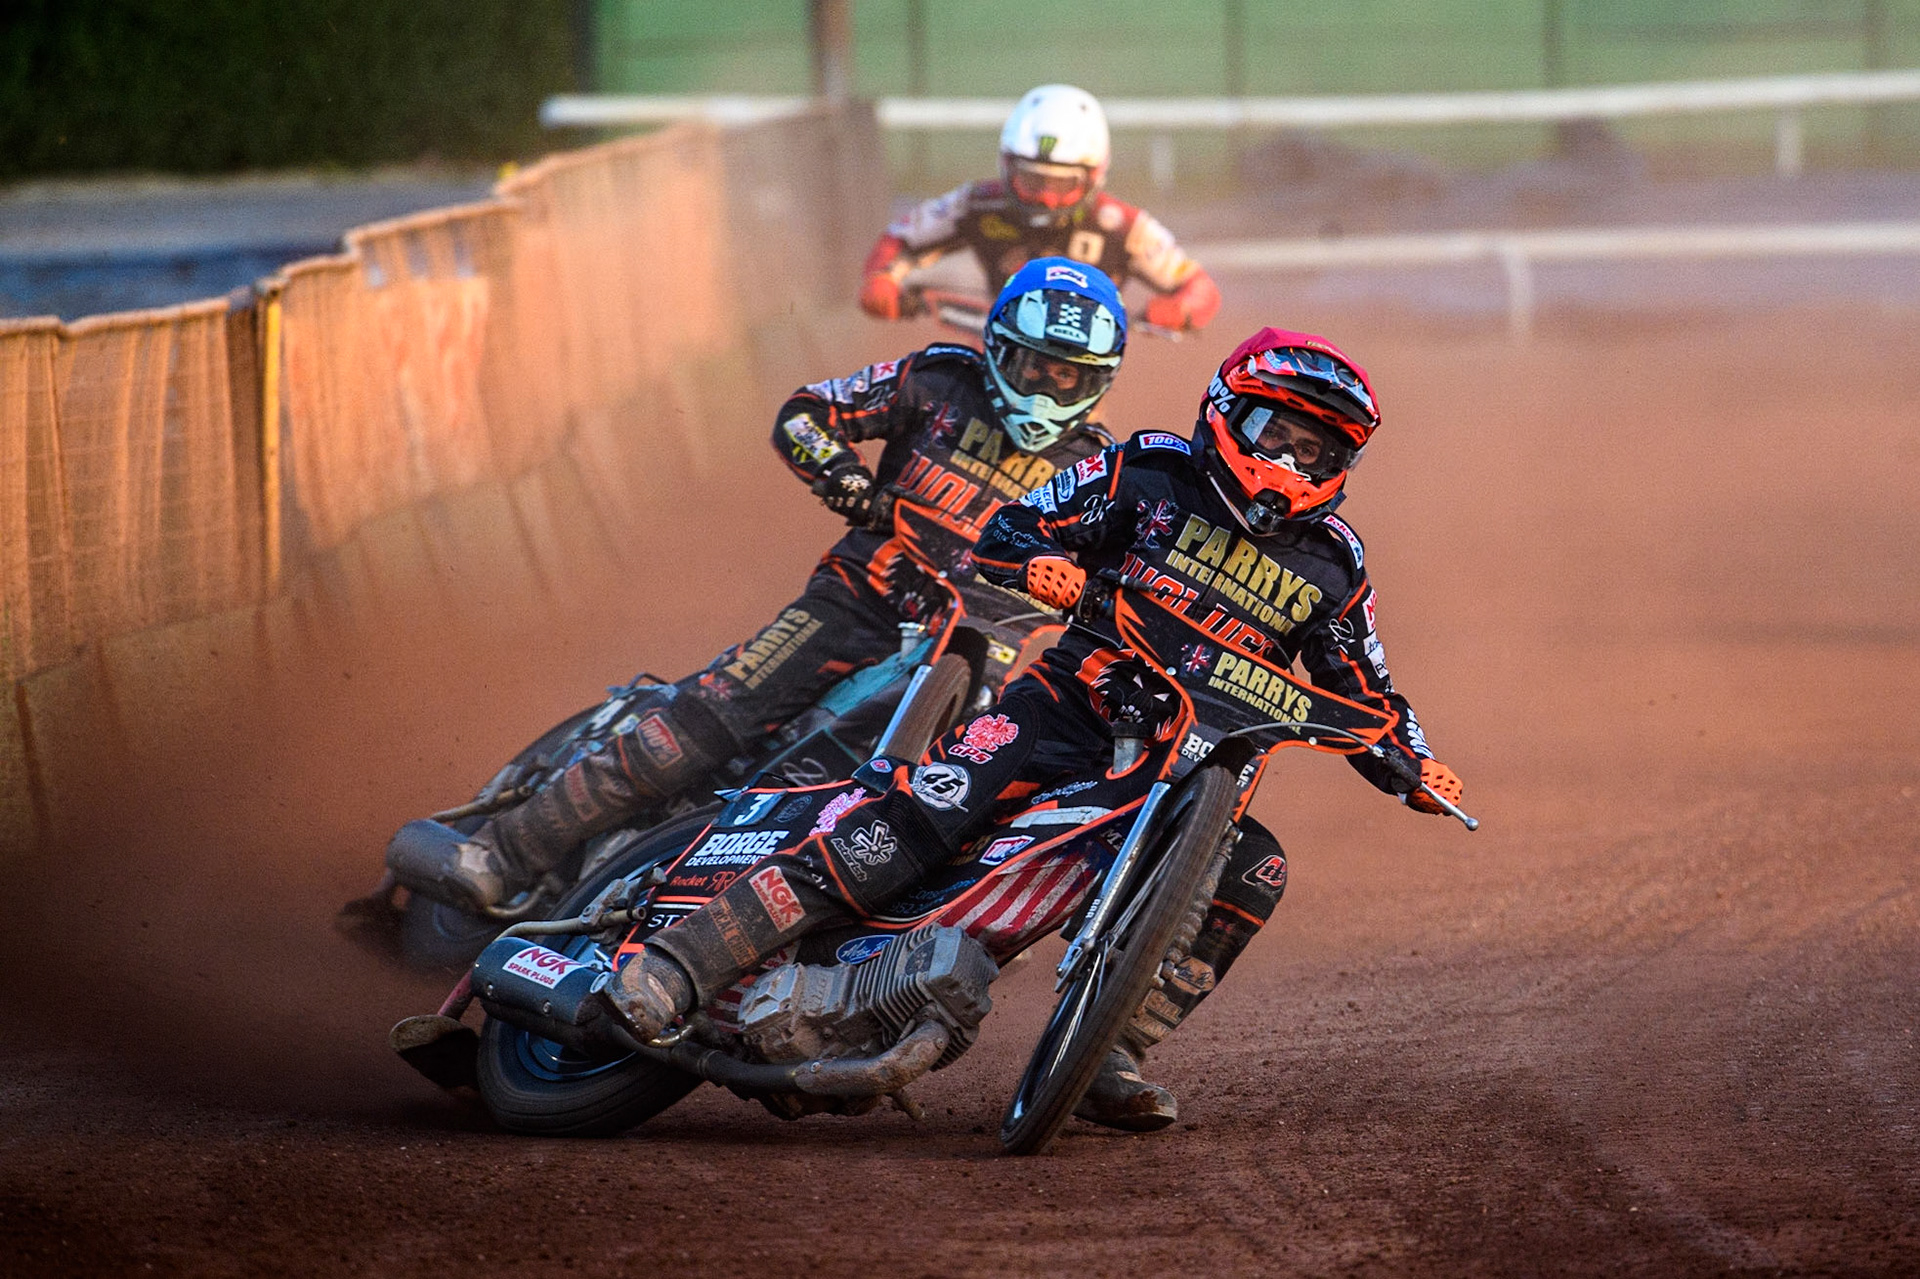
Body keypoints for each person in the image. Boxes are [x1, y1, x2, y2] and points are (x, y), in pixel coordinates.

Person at [600, 327, 1464, 1133]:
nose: (1293, 462)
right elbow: (1012, 527)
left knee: (1258, 870)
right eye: (1279, 435)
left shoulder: (1334, 563)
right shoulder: (1144, 471)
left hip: (1190, 769)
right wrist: (1039, 564)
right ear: (1228, 413)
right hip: (1062, 709)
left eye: (1318, 452)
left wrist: (1415, 762)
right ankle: (681, 962)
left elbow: (1366, 689)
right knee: (910, 821)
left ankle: (1111, 1051)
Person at [391, 258, 1130, 913]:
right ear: (998, 347)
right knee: (711, 719)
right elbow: (807, 414)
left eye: (1068, 374)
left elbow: (1133, 577)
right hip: (860, 601)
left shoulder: (1097, 470)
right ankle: (502, 852)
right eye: (1034, 365)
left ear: (1099, 380)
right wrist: (845, 479)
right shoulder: (937, 380)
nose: (1047, 387)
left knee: (938, 816)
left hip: (980, 661)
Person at [859, 84, 1221, 334]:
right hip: (993, 347)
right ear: (1007, 168)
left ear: (1094, 176)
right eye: (1032, 181)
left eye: (1062, 185)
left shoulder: (1123, 226)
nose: (1046, 198)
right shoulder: (977, 204)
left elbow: (1200, 287)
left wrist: (1180, 310)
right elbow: (899, 239)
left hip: (1082, 372)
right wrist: (881, 280)